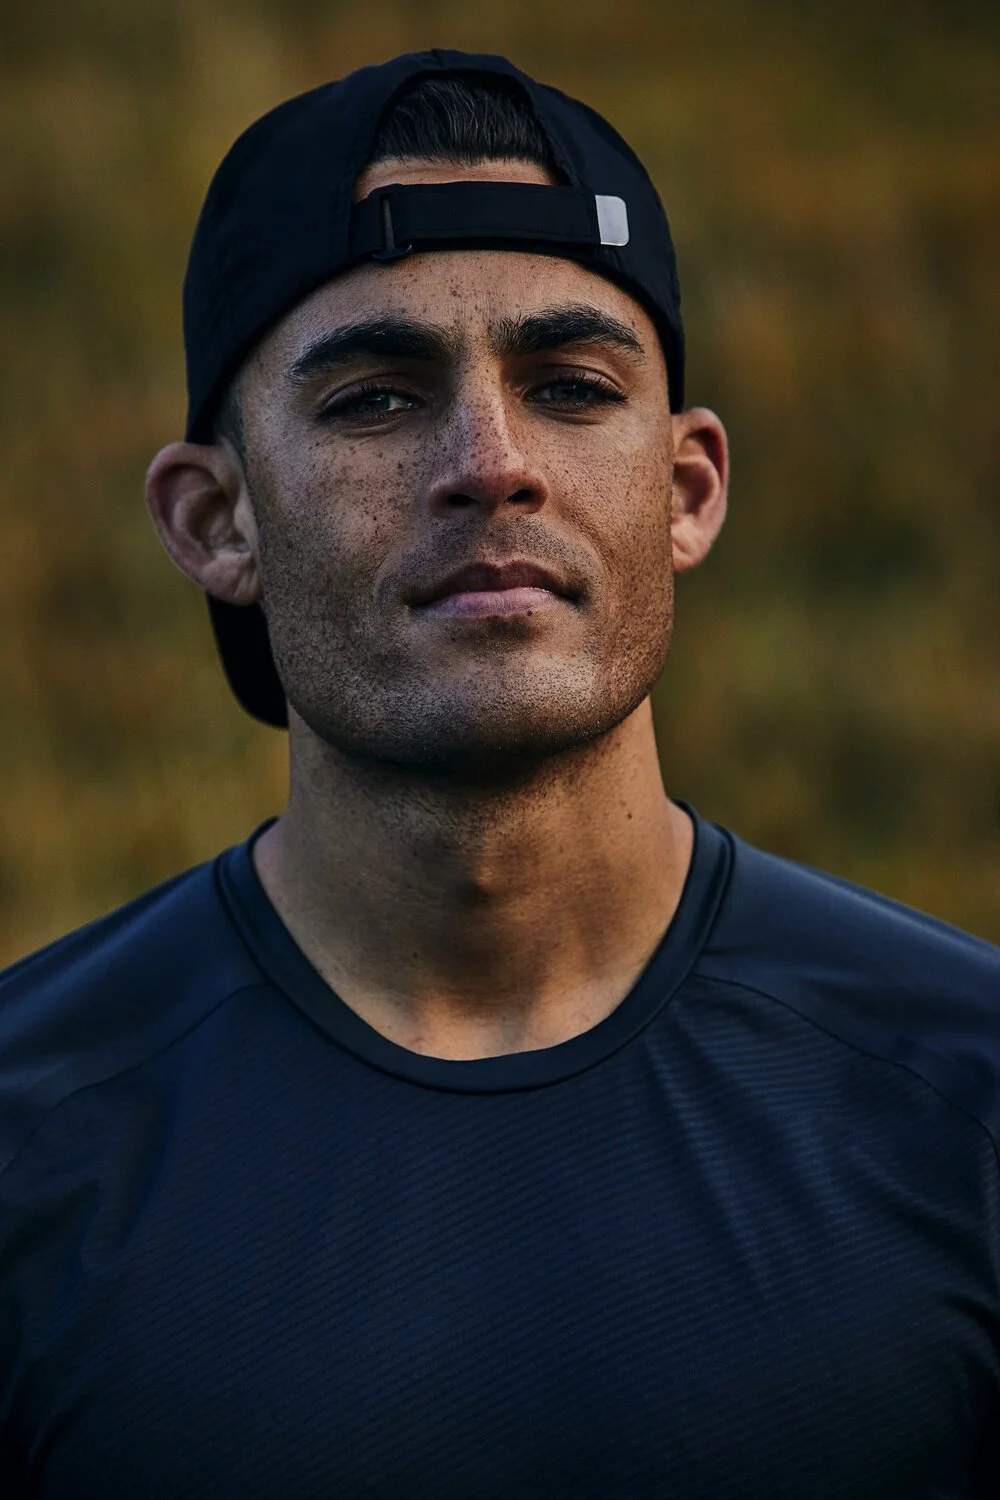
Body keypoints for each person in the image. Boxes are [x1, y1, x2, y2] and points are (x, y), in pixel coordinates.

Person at [0, 48, 997, 1500]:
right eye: (372, 401)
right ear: (219, 521)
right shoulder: (34, 1138)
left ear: (688, 488)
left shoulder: (964, 1100)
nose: (490, 461)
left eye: (574, 384)